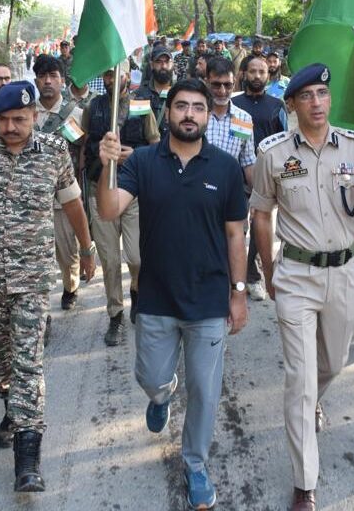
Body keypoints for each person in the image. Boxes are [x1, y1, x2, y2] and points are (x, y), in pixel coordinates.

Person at [96, 78, 248, 511]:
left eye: (198, 108)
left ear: (207, 115)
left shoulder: (224, 167)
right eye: (181, 106)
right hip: (157, 297)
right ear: (168, 113)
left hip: (208, 300)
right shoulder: (143, 161)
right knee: (150, 377)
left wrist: (238, 294)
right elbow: (108, 210)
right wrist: (107, 166)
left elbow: (236, 235)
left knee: (205, 390)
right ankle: (161, 395)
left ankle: (196, 465)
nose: (189, 114)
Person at [0, 81, 96, 493]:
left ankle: (28, 457)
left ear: (34, 118)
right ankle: (13, 406)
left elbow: (72, 203)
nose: (11, 127)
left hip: (32, 277)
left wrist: (86, 247)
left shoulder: (54, 152)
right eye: (5, 120)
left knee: (28, 363)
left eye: (20, 119)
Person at [250, 64, 354, 511]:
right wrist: (268, 270)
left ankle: (312, 402)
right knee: (301, 381)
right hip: (297, 276)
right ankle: (305, 483)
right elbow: (262, 214)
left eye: (322, 94)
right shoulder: (273, 153)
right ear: (292, 105)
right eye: (306, 96)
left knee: (333, 362)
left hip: (344, 273)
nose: (317, 103)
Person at [81, 68, 161, 345]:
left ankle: (138, 290)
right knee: (110, 261)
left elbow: (157, 145)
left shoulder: (141, 106)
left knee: (137, 257)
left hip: (134, 191)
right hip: (98, 188)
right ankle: (115, 314)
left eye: (116, 74)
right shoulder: (92, 107)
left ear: (128, 74)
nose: (111, 80)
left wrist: (135, 154)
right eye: (106, 76)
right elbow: (82, 146)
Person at [34, 56, 87, 314]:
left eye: (53, 76)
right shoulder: (26, 113)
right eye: (42, 76)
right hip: (32, 198)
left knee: (67, 253)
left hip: (63, 196)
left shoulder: (75, 114)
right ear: (35, 80)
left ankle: (70, 286)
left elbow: (83, 150)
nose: (47, 81)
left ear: (62, 81)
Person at [233, 54, 287, 301]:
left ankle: (254, 276)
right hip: (234, 176)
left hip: (265, 178)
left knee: (259, 226)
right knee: (235, 227)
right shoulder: (234, 104)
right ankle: (233, 278)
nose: (257, 76)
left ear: (269, 75)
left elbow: (285, 142)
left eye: (261, 72)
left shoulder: (277, 106)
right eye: (252, 71)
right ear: (243, 74)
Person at [204, 57, 256, 187]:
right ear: (207, 82)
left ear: (234, 83)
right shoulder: (195, 116)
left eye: (228, 85)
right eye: (216, 85)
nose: (222, 91)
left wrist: (259, 198)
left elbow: (248, 161)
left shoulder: (243, 119)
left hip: (229, 192)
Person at [133, 46, 175, 135]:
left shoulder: (180, 92)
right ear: (152, 65)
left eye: (167, 62)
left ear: (173, 64)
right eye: (159, 62)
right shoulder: (139, 95)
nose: (163, 66)